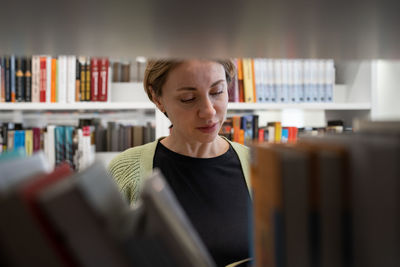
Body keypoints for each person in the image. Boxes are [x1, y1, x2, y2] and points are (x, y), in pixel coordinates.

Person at [108, 59, 252, 267]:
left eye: (217, 91)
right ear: (157, 98)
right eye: (188, 98)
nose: (209, 111)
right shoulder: (125, 170)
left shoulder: (258, 167)